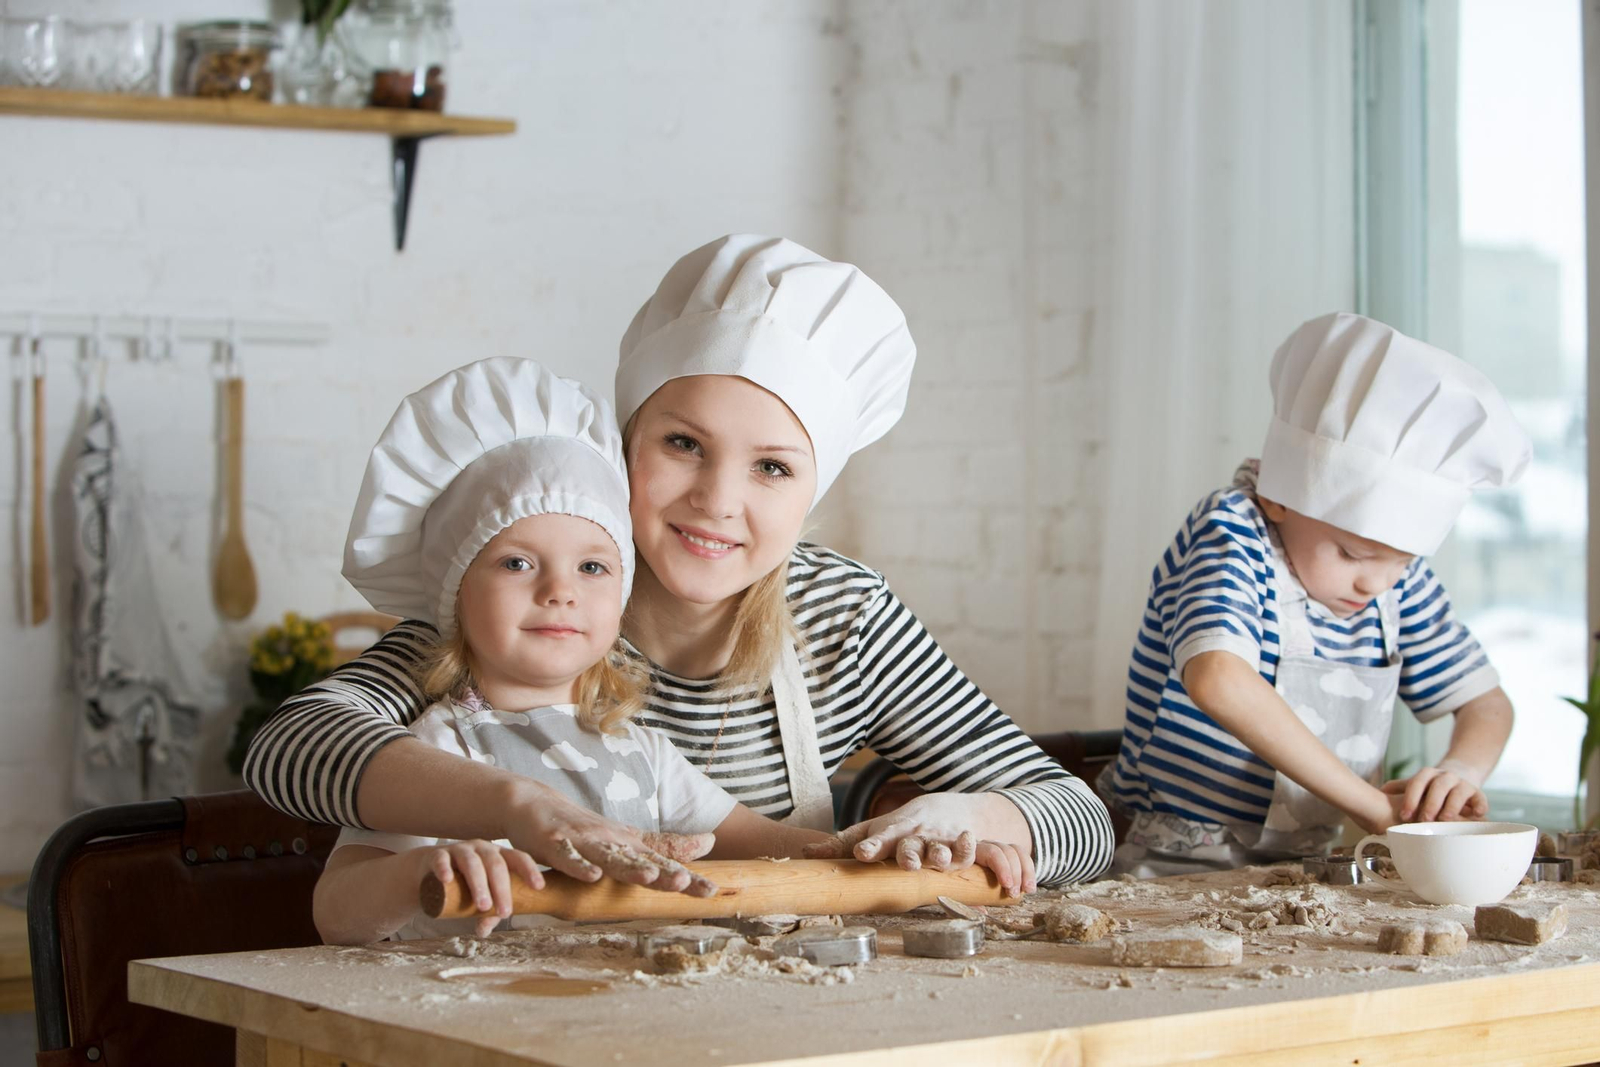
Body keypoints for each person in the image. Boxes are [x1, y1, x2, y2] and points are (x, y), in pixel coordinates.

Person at [248, 234, 1115, 897]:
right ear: (624, 441)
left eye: (772, 467)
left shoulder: (840, 614)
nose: (717, 499)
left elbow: (1082, 817)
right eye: (683, 444)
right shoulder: (541, 597)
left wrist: (976, 814)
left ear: (812, 489)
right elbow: (290, 748)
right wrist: (520, 806)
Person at [313, 358, 834, 944]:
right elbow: (335, 910)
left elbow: (772, 845)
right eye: (517, 562)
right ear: (455, 594)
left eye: (592, 567)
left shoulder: (641, 752)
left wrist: (879, 842)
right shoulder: (441, 751)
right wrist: (415, 876)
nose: (559, 591)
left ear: (621, 598)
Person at [1099, 312, 1530, 876]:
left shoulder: (1396, 584)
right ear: (1280, 496)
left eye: (1401, 562)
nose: (1375, 583)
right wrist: (1374, 806)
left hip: (1300, 870)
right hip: (1164, 863)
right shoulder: (1232, 531)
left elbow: (1488, 705)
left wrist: (1459, 774)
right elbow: (1218, 678)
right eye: (1352, 555)